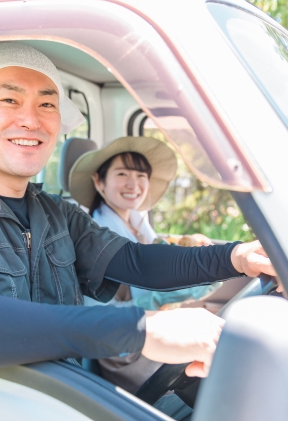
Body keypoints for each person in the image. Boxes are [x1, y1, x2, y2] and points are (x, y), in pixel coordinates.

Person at [0, 43, 277, 386]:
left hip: (65, 394)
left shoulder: (55, 212)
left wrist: (235, 257)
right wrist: (137, 330)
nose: (31, 119)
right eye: (9, 99)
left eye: (47, 104)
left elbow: (136, 262)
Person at [68, 137, 222, 392]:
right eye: (122, 174)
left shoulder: (138, 223)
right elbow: (151, 287)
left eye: (141, 175)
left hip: (150, 332)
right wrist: (216, 267)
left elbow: (159, 255)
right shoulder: (98, 234)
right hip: (127, 349)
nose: (133, 184)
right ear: (99, 181)